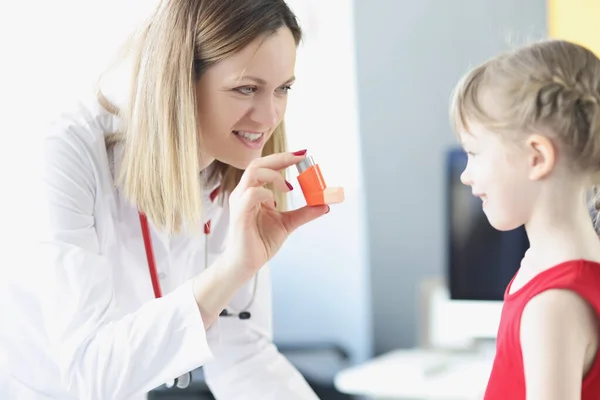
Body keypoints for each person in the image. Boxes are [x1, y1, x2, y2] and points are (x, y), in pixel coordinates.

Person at [0, 0, 331, 399]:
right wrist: (230, 271)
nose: (269, 116)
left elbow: (243, 356)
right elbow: (89, 374)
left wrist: (237, 270)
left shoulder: (234, 177)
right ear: (180, 79)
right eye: (247, 88)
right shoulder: (67, 151)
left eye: (283, 89)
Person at [450, 39, 600, 400]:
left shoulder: (553, 305)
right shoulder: (545, 267)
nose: (465, 175)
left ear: (536, 157)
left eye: (474, 153)